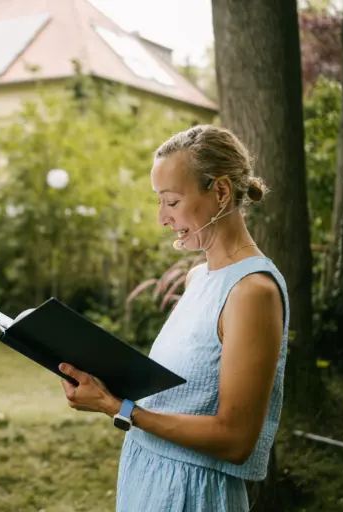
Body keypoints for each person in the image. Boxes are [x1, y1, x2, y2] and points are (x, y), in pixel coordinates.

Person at [58, 125, 288, 511]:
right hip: (146, 477)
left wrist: (120, 409)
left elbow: (235, 439)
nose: (162, 218)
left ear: (220, 192)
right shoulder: (199, 277)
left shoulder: (252, 292)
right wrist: (104, 385)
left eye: (172, 201)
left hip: (192, 494)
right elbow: (183, 395)